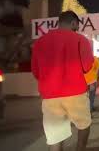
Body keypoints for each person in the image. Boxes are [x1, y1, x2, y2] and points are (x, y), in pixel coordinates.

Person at [31, 11, 94, 151]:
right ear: (73, 23)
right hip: (76, 93)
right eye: (77, 26)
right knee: (84, 124)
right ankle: (80, 148)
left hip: (50, 96)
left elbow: (36, 72)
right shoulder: (80, 39)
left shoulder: (40, 42)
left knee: (55, 137)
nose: (77, 29)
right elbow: (87, 66)